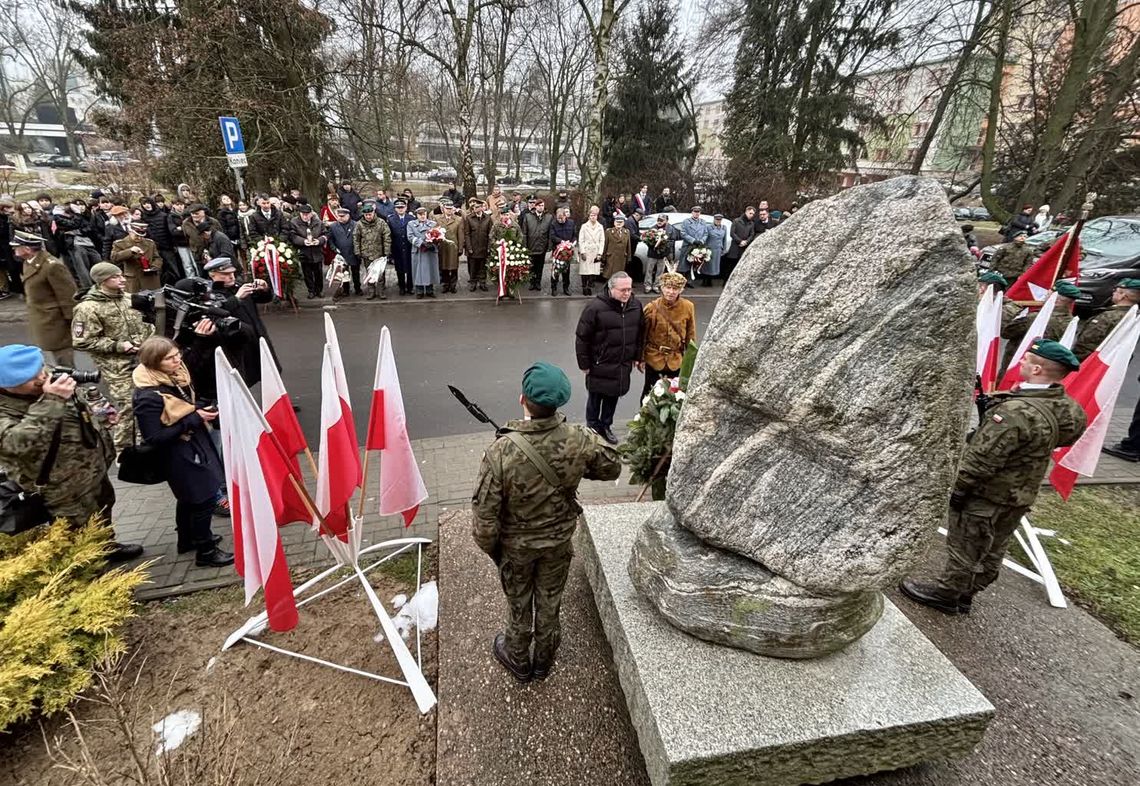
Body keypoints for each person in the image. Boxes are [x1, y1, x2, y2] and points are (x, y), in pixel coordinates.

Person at [899, 339, 1086, 614]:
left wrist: (958, 489)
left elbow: (980, 460)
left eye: (1026, 360)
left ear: (1036, 371)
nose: (1020, 362)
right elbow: (1070, 434)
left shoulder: (1014, 412)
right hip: (1021, 493)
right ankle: (967, 593)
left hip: (988, 493)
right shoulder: (1067, 406)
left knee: (966, 546)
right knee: (994, 546)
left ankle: (947, 594)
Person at [471, 361, 622, 681]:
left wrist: (495, 552)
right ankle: (543, 660)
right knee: (550, 600)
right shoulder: (579, 439)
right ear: (559, 402)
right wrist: (578, 463)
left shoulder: (500, 452)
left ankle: (517, 658)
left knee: (519, 604)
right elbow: (611, 468)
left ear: (522, 399)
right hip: (557, 543)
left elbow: (485, 522)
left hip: (517, 548)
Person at [0, 344, 143, 561]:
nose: (41, 377)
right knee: (76, 533)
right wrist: (52, 400)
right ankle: (91, 573)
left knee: (103, 509)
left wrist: (100, 411)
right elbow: (16, 445)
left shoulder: (43, 374)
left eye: (41, 370)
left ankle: (107, 547)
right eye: (30, 378)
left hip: (91, 468)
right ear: (7, 385)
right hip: (59, 487)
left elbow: (80, 399)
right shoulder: (7, 408)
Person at [132, 337, 233, 567]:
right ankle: (206, 551)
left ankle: (187, 540)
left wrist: (199, 410)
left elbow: (185, 407)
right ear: (154, 362)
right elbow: (155, 437)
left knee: (188, 499)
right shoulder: (148, 396)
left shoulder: (174, 378)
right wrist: (194, 419)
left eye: (177, 354)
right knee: (204, 499)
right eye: (170, 358)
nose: (178, 360)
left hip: (193, 445)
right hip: (178, 455)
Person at [71, 262, 156, 453]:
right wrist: (118, 346)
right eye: (115, 277)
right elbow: (82, 341)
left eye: (121, 275)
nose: (122, 279)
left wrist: (148, 341)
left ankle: (145, 445)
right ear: (102, 280)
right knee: (127, 405)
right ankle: (123, 451)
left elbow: (147, 324)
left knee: (147, 403)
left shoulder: (129, 299)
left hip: (142, 361)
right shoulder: (88, 308)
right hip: (116, 366)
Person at [574, 271, 644, 444]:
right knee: (595, 399)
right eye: (623, 290)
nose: (627, 293)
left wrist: (637, 356)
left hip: (621, 363)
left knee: (613, 396)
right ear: (611, 289)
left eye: (629, 289)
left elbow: (640, 334)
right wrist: (584, 363)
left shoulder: (635, 306)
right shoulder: (595, 308)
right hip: (599, 363)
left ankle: (606, 426)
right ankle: (591, 428)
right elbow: (582, 337)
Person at [204, 257, 277, 387]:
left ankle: (280, 406)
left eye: (232, 273)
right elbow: (216, 312)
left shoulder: (239, 284)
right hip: (239, 343)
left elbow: (263, 299)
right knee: (243, 379)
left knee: (271, 371)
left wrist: (264, 289)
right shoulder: (211, 293)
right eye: (225, 275)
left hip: (258, 335)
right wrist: (236, 298)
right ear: (212, 275)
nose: (231, 277)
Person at [11, 229, 77, 366]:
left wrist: (73, 321)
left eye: (16, 246)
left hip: (55, 319)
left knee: (63, 356)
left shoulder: (52, 266)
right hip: (43, 317)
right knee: (54, 357)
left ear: (27, 249)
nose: (14, 249)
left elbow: (68, 296)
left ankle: (72, 383)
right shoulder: (29, 262)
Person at [640, 272, 697, 398]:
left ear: (681, 290)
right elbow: (642, 335)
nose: (671, 292)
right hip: (654, 358)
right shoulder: (651, 307)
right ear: (662, 288)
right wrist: (641, 358)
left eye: (675, 288)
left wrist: (691, 360)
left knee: (674, 396)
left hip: (676, 359)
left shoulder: (688, 307)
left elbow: (691, 335)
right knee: (649, 395)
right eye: (668, 288)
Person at [1001, 280, 1081, 365]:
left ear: (1056, 300)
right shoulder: (1072, 323)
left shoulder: (1036, 318)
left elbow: (1006, 332)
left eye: (1048, 295)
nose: (1045, 297)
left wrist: (1011, 308)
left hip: (1017, 363)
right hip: (1046, 367)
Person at [1071, 278, 1140, 361]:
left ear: (1123, 295)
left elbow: (1086, 344)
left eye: (1116, 291)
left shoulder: (1109, 316)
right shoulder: (1135, 316)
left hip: (1088, 363)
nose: (1113, 293)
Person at [55, 198, 97, 289]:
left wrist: (78, 231)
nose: (80, 207)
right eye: (77, 205)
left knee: (97, 262)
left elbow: (91, 228)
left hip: (89, 242)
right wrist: (77, 214)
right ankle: (87, 288)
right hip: (74, 243)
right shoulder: (62, 216)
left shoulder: (88, 215)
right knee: (82, 267)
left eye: (82, 204)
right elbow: (72, 225)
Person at [353, 202, 393, 300]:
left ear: (374, 212)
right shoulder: (359, 224)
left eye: (370, 214)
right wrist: (357, 251)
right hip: (366, 253)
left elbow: (387, 237)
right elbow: (356, 238)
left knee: (380, 274)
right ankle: (371, 292)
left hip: (379, 253)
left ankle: (381, 291)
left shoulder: (381, 222)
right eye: (366, 215)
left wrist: (387, 251)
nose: (368, 216)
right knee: (370, 273)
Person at [110, 221, 162, 293]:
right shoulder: (120, 244)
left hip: (151, 279)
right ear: (130, 232)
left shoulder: (150, 243)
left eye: (141, 236)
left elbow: (157, 258)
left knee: (156, 301)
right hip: (134, 280)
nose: (139, 238)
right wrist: (130, 251)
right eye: (136, 235)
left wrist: (154, 267)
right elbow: (114, 258)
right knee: (135, 301)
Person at [289, 203, 328, 299]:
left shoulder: (318, 222)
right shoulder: (294, 222)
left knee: (318, 273)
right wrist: (303, 241)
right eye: (303, 214)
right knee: (307, 273)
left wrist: (319, 241)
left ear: (311, 214)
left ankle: (319, 290)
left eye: (307, 214)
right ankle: (311, 290)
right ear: (300, 214)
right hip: (304, 252)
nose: (305, 216)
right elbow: (292, 236)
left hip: (316, 251)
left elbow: (325, 234)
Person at [139, 196, 178, 286]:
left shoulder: (163, 216)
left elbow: (170, 232)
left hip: (167, 247)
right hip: (154, 249)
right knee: (158, 270)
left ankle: (176, 285)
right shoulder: (143, 218)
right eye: (144, 204)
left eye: (148, 203)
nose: (147, 205)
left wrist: (173, 245)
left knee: (173, 268)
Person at [521, 198, 553, 291]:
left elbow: (550, 233)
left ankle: (538, 282)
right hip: (531, 246)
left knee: (540, 266)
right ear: (535, 206)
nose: (541, 207)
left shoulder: (549, 217)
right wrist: (525, 246)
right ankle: (532, 282)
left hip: (542, 246)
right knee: (531, 266)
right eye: (539, 205)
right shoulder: (528, 217)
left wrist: (549, 247)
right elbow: (524, 233)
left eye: (542, 205)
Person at [408, 206, 440, 299]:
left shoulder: (433, 224)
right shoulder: (411, 224)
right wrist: (422, 243)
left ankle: (430, 290)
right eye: (420, 214)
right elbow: (410, 237)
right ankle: (419, 291)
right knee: (418, 271)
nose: (422, 216)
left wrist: (433, 242)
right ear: (416, 215)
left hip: (430, 251)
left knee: (431, 270)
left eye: (424, 214)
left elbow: (438, 235)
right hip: (418, 251)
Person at [327, 208, 361, 296]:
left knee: (356, 272)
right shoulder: (333, 226)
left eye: (343, 216)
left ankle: (358, 288)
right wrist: (334, 249)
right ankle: (346, 290)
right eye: (339, 216)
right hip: (341, 253)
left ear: (348, 215)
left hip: (353, 252)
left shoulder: (356, 224)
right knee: (344, 273)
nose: (341, 218)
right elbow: (330, 240)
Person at [462, 199, 492, 293]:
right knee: (473, 266)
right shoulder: (469, 218)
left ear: (482, 208)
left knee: (483, 266)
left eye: (478, 207)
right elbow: (467, 234)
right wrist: (469, 247)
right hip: (473, 247)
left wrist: (489, 247)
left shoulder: (487, 218)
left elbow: (490, 234)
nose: (476, 209)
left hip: (484, 246)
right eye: (475, 207)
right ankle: (473, 283)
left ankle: (482, 282)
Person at [642, 213, 676, 296]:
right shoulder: (652, 228)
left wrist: (665, 246)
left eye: (662, 220)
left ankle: (656, 286)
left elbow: (673, 241)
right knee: (649, 270)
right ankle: (648, 285)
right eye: (658, 220)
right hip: (652, 253)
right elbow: (647, 240)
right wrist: (653, 244)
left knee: (660, 271)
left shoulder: (671, 229)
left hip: (663, 254)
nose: (659, 222)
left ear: (666, 221)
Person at [387, 199, 414, 296]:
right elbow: (388, 235)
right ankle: (402, 287)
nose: (400, 209)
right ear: (395, 209)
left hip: (409, 246)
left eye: (402, 207)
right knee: (399, 268)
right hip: (396, 247)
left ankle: (410, 287)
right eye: (398, 208)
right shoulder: (391, 219)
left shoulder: (411, 218)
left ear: (406, 207)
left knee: (410, 268)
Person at [577, 206, 605, 296]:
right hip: (586, 250)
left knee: (594, 270)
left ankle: (589, 286)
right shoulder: (584, 226)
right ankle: (584, 287)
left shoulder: (600, 227)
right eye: (591, 215)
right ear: (589, 216)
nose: (593, 217)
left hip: (595, 250)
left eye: (595, 215)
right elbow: (581, 240)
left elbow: (602, 241)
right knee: (585, 270)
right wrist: (582, 252)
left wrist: (600, 253)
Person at [436, 199, 463, 294]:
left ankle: (453, 285)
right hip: (442, 247)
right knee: (443, 266)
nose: (449, 210)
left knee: (454, 267)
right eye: (447, 208)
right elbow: (435, 232)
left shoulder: (458, 220)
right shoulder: (438, 219)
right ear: (443, 209)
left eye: (451, 209)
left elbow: (460, 235)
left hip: (453, 247)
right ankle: (445, 284)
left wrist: (460, 248)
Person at [547, 206, 576, 296]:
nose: (560, 220)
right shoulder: (553, 224)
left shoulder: (571, 223)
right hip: (557, 251)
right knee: (556, 270)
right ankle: (554, 288)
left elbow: (574, 235)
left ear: (565, 216)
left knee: (566, 271)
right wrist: (561, 242)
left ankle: (566, 288)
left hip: (568, 251)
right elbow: (552, 236)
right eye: (558, 219)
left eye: (562, 218)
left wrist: (571, 243)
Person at [677, 206, 710, 278]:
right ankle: (682, 280)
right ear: (692, 212)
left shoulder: (703, 222)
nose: (696, 213)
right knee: (684, 264)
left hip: (698, 246)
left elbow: (706, 233)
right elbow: (683, 233)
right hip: (688, 245)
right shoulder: (686, 222)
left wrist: (701, 241)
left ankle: (689, 281)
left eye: (698, 212)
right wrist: (693, 240)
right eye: (695, 212)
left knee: (694, 263)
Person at [725, 207, 756, 281]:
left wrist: (746, 242)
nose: (751, 215)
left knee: (740, 265)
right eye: (750, 213)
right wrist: (740, 241)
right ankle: (726, 281)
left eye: (753, 214)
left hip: (744, 247)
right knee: (731, 265)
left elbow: (752, 234)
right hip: (735, 247)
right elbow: (732, 233)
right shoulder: (736, 221)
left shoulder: (751, 223)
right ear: (746, 212)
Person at [167, 198, 196, 278]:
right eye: (177, 205)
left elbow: (193, 228)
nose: (180, 207)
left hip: (192, 242)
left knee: (196, 263)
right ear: (173, 205)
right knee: (187, 265)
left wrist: (181, 228)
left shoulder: (188, 214)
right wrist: (184, 229)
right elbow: (173, 231)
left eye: (181, 204)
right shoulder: (171, 217)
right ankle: (191, 281)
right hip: (181, 244)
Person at [701, 214, 730, 287]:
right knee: (707, 266)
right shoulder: (708, 227)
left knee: (715, 267)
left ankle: (710, 280)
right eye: (717, 220)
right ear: (714, 220)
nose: (718, 221)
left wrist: (724, 249)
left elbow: (724, 239)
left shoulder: (724, 228)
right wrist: (703, 248)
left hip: (718, 249)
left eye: (719, 220)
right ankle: (705, 281)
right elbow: (705, 238)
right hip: (709, 249)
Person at [602, 213, 631, 278]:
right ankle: (608, 287)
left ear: (623, 223)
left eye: (621, 222)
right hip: (611, 257)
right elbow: (605, 245)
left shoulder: (627, 232)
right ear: (614, 223)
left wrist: (629, 257)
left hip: (621, 258)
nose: (619, 224)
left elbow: (628, 246)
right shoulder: (609, 232)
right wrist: (603, 257)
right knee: (610, 276)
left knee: (619, 276)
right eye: (617, 222)